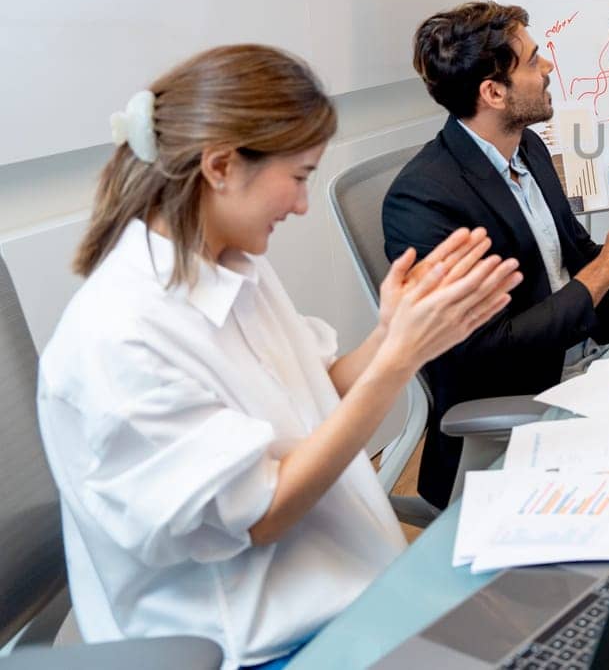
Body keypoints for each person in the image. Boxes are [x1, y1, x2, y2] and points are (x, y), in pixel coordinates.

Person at [36, 45, 521, 670]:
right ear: (219, 167)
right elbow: (262, 513)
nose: (301, 205)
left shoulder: (231, 262)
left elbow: (309, 392)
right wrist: (399, 360)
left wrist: (390, 335)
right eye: (298, 177)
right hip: (258, 644)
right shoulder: (120, 338)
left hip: (347, 588)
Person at [385, 1, 609, 506]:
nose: (548, 67)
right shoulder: (424, 199)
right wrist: (604, 270)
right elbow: (484, 352)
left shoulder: (527, 147)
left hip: (592, 365)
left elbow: (577, 260)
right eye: (533, 61)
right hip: (526, 407)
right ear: (493, 92)